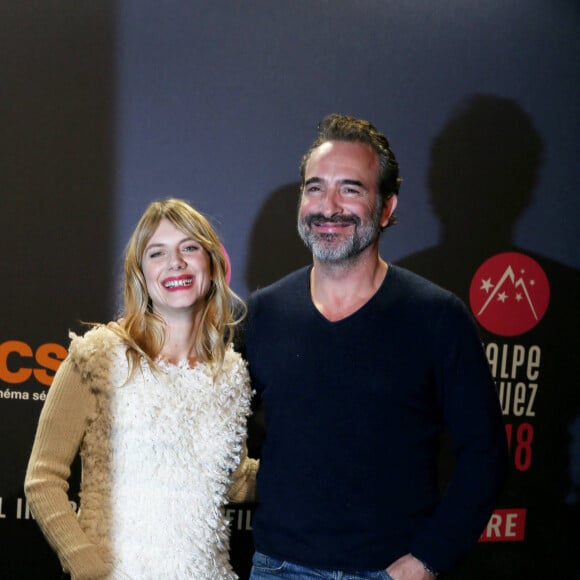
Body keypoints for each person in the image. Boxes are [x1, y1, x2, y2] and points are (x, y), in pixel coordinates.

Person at [243, 114, 508, 580]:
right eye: (314, 187)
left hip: (390, 571)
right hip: (278, 567)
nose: (329, 206)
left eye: (351, 189)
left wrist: (427, 561)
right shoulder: (263, 313)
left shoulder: (437, 317)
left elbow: (484, 456)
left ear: (386, 208)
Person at [25, 198, 258, 579]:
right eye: (157, 253)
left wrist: (305, 472)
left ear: (213, 265)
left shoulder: (230, 373)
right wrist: (87, 565)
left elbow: (236, 483)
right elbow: (42, 479)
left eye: (189, 248)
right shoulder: (98, 356)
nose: (176, 262)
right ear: (141, 273)